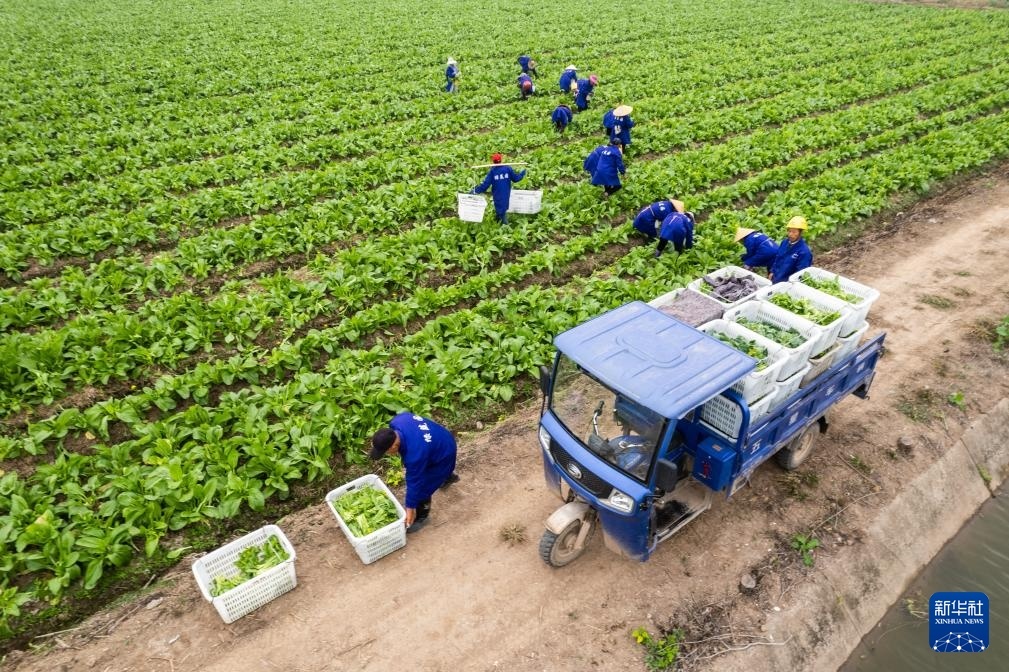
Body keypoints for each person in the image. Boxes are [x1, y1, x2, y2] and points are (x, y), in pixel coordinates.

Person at [370, 412, 459, 534]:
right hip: (441, 436)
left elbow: (414, 482)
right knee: (430, 467)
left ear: (393, 446)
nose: (387, 454)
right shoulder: (399, 420)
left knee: (422, 488)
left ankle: (423, 517)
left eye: (386, 452)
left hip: (445, 453)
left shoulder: (415, 455)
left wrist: (410, 508)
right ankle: (446, 476)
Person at [472, 153, 526, 224]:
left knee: (501, 210)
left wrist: (476, 190)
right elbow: (515, 179)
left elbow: (485, 185)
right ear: (501, 160)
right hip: (506, 193)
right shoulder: (507, 168)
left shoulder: (492, 171)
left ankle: (505, 225)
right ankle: (498, 220)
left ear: (493, 161)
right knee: (502, 207)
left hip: (497, 194)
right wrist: (522, 174)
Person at [768, 216, 813, 282]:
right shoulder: (784, 242)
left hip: (787, 284)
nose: (790, 234)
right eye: (789, 231)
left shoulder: (804, 252)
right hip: (776, 278)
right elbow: (777, 258)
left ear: (801, 233)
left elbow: (800, 274)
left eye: (794, 232)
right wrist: (772, 272)